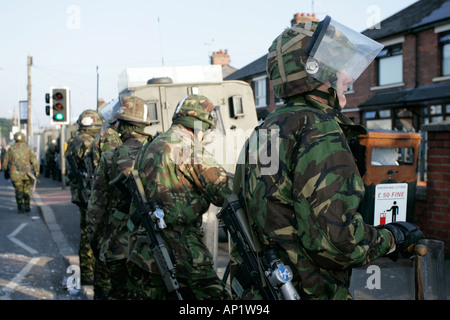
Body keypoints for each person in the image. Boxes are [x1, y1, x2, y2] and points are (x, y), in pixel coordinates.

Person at [231, 16, 424, 300]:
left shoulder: (265, 129)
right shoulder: (318, 129)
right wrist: (393, 237)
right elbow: (337, 243)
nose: (349, 78)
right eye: (341, 67)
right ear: (315, 70)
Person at [126, 94, 232, 300]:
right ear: (200, 126)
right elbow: (224, 191)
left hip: (146, 247)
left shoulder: (151, 145)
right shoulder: (187, 149)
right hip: (182, 250)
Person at [87, 96, 153, 299]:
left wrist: (94, 238)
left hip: (117, 245)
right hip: (152, 246)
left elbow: (96, 208)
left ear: (121, 124)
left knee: (118, 293)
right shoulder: (159, 153)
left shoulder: (110, 157)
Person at [84, 103, 123, 300]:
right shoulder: (110, 136)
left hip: (103, 203)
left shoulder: (103, 134)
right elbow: (109, 172)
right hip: (110, 206)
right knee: (107, 256)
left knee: (102, 253)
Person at [66, 109, 103, 286]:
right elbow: (96, 166)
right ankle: (90, 272)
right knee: (92, 233)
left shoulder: (74, 141)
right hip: (89, 192)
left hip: (80, 192)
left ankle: (87, 271)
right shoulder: (89, 142)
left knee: (84, 230)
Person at [3, 132, 39, 213]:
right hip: (27, 174)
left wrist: (5, 171)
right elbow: (34, 161)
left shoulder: (11, 149)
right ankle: (27, 205)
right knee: (27, 190)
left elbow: (5, 162)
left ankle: (20, 207)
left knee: (18, 190)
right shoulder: (28, 148)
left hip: (15, 174)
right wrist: (36, 171)